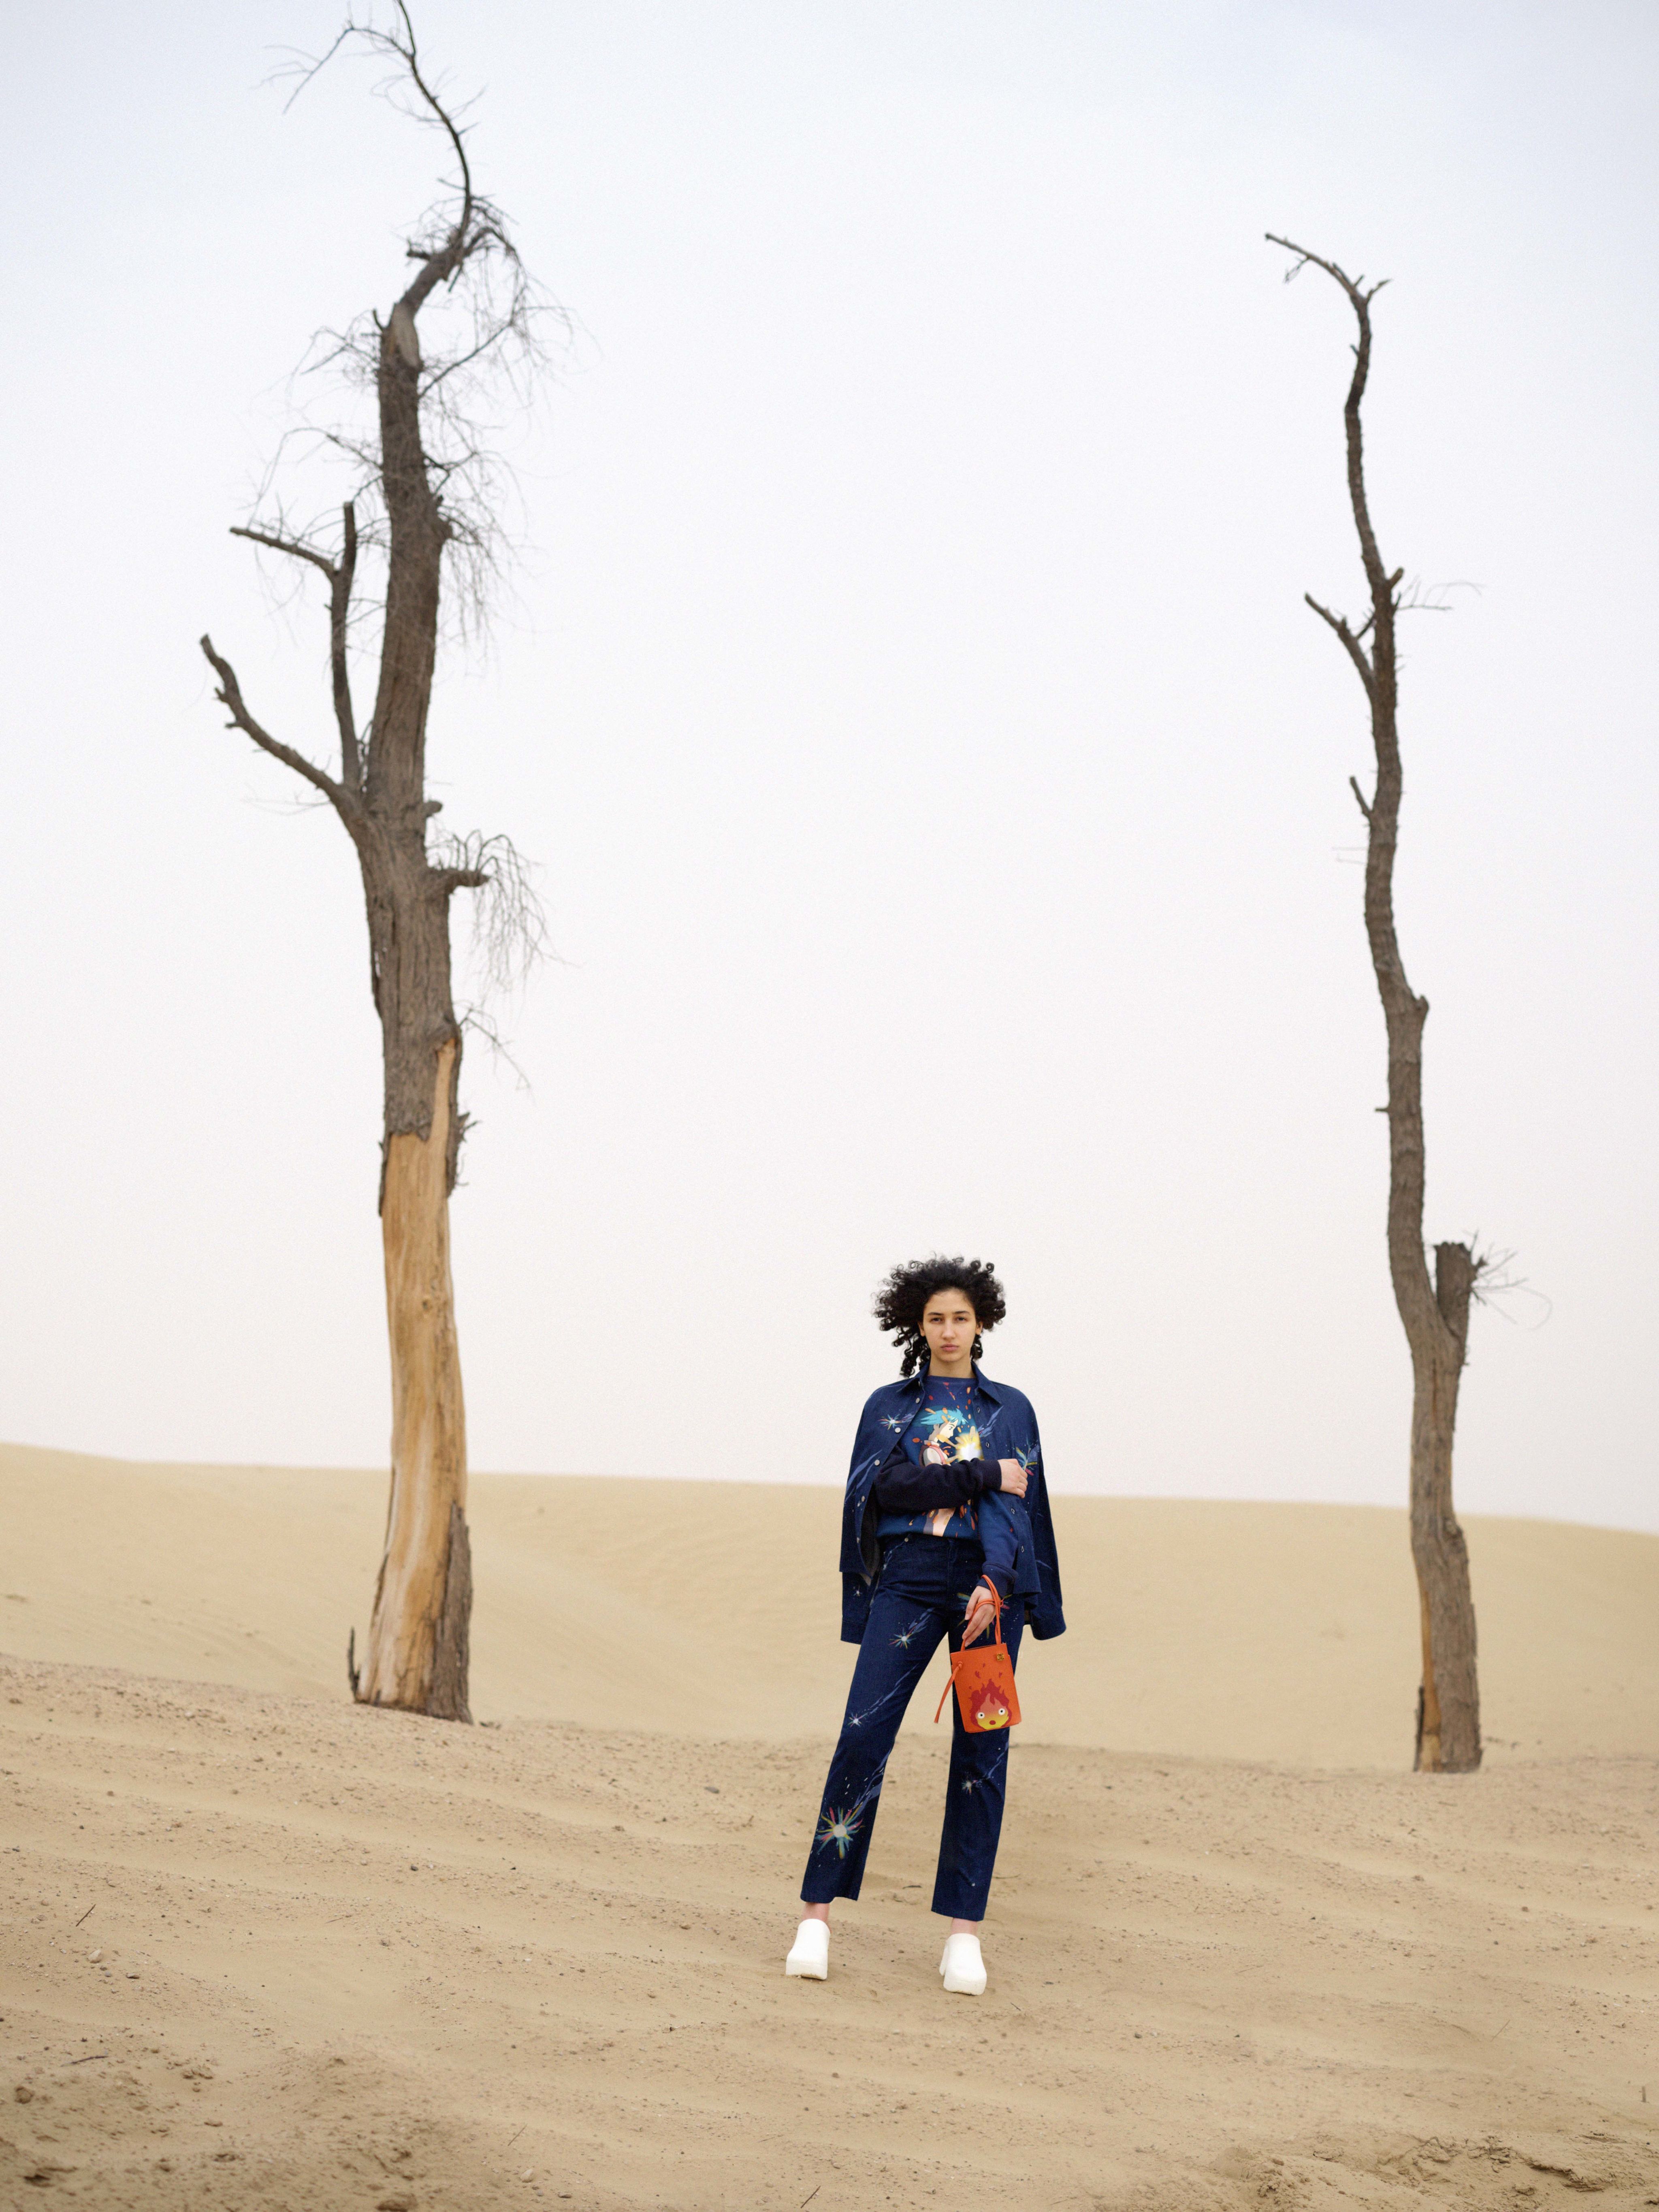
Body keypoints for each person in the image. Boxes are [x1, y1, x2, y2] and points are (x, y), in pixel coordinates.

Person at [785, 1255, 1065, 1996]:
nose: (948, 1330)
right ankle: (815, 1918)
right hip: (907, 1579)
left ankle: (963, 1936)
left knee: (983, 1754)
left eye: (961, 1318)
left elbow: (1022, 1509)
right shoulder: (889, 1407)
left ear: (982, 1323)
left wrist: (998, 1583)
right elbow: (886, 1488)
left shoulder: (1012, 1408)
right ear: (917, 1323)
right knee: (862, 1735)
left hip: (990, 1595)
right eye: (936, 1318)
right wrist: (982, 1472)